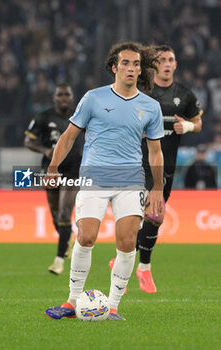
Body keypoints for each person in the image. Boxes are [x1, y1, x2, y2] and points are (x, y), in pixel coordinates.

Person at [44, 42, 164, 321]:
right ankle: (73, 301)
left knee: (126, 242)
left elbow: (155, 151)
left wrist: (157, 187)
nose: (131, 68)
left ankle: (112, 307)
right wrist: (52, 169)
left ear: (140, 69)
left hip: (130, 181)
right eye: (125, 63)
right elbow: (69, 137)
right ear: (114, 67)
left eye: (136, 64)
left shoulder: (150, 107)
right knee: (85, 237)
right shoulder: (93, 98)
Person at [135, 45, 203, 293]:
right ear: (154, 65)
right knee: (152, 214)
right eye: (162, 59)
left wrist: (186, 128)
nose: (166, 63)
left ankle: (127, 256)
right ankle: (144, 267)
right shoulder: (142, 93)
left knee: (153, 218)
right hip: (140, 162)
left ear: (175, 65)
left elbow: (198, 123)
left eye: (170, 59)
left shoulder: (184, 95)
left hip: (168, 164)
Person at [24, 83, 84, 275]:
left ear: (72, 97)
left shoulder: (80, 116)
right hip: (51, 170)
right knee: (55, 214)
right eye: (60, 94)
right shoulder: (43, 117)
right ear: (54, 97)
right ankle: (66, 238)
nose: (64, 97)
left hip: (74, 169)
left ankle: (58, 261)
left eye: (67, 94)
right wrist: (45, 150)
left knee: (66, 213)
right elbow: (28, 140)